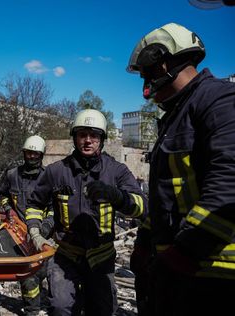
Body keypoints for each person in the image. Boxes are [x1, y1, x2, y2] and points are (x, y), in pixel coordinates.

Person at [127, 22, 235, 315]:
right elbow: (166, 198)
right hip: (176, 272)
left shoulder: (219, 101)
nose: (146, 89)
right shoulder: (177, 116)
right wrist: (144, 243)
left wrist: (184, 254)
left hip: (214, 277)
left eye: (146, 74)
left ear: (161, 64)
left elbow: (229, 183)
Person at [25, 109, 146, 316]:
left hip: (101, 256)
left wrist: (117, 196)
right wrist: (35, 233)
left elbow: (142, 205)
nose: (88, 140)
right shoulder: (56, 171)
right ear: (74, 137)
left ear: (102, 139)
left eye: (94, 135)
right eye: (82, 135)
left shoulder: (117, 171)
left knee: (102, 309)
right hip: (65, 254)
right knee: (61, 308)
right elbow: (35, 204)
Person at [0, 135, 53, 316]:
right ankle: (32, 310)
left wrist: (42, 231)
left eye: (35, 154)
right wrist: (7, 209)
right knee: (28, 276)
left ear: (41, 155)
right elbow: (2, 194)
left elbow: (54, 209)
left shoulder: (49, 177)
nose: (31, 157)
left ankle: (56, 306)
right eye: (28, 153)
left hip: (45, 234)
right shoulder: (12, 174)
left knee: (48, 273)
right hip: (19, 233)